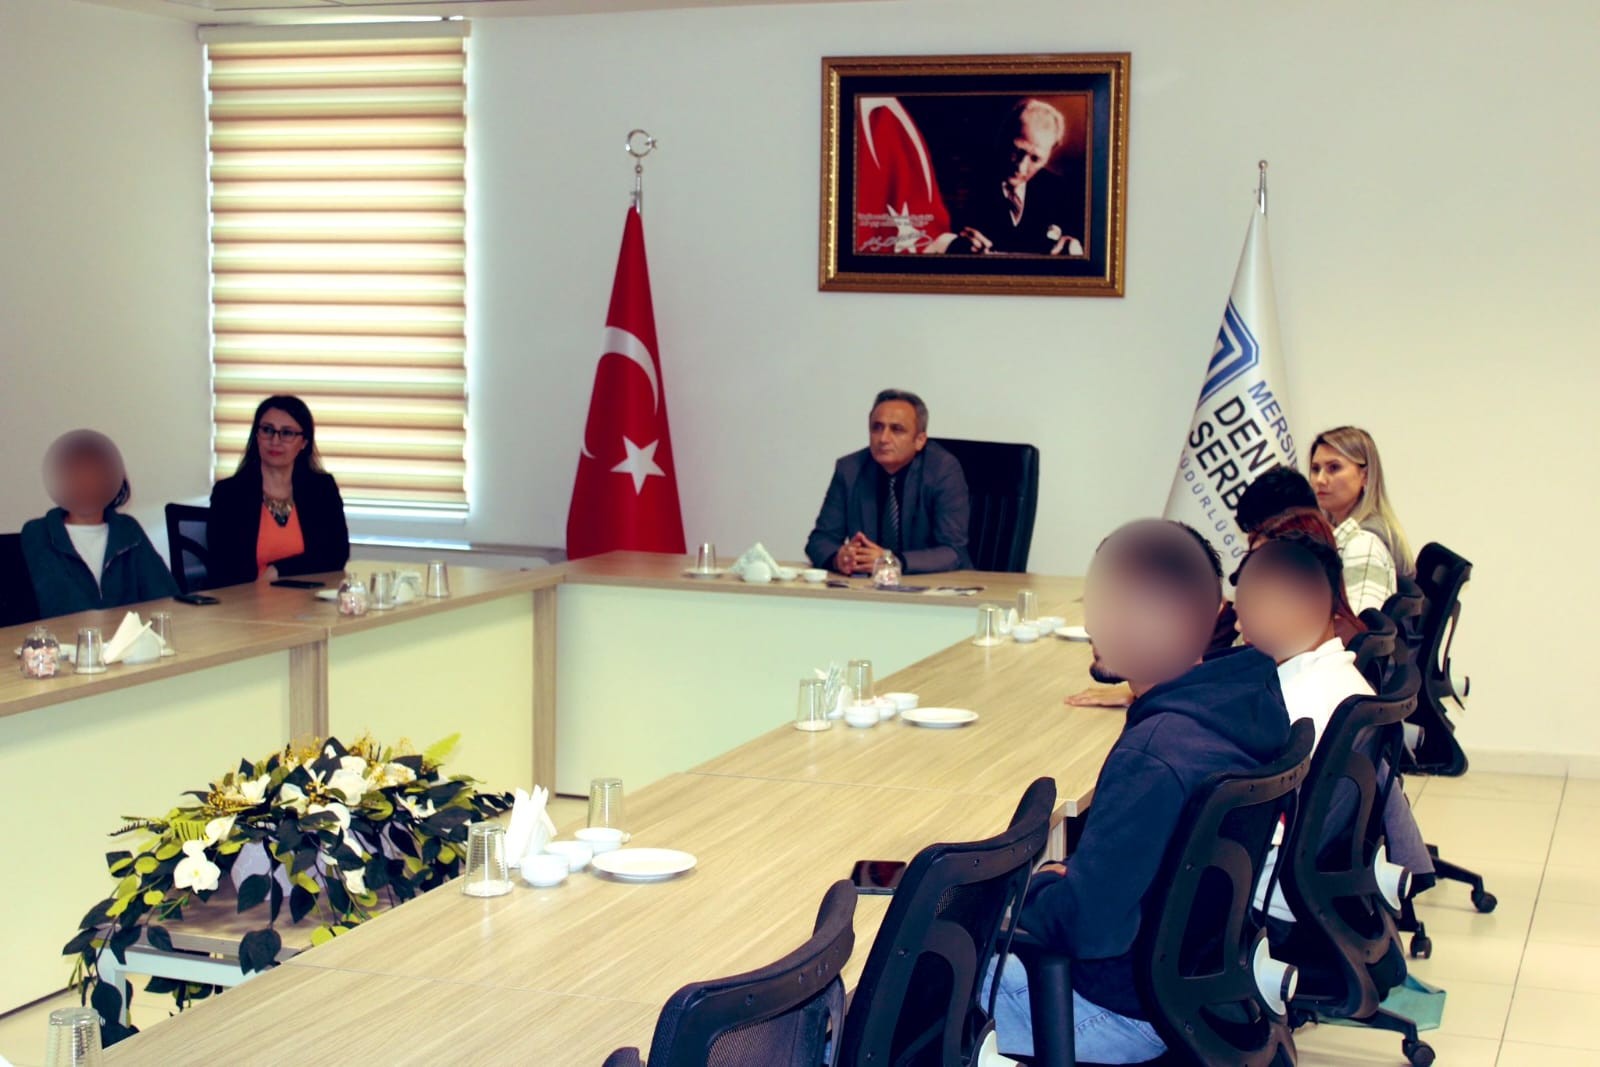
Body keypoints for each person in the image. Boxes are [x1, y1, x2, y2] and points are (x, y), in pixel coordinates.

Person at [988, 520, 1292, 1062]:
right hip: (1191, 994)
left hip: (1118, 1010)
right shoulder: (1238, 703)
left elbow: (1090, 929)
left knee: (907, 995)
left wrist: (1033, 892)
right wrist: (1078, 881)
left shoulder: (1153, 757)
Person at [1231, 531, 1433, 924]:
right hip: (1309, 892)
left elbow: (1248, 829)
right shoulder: (1344, 678)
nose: (1241, 623)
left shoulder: (1291, 707)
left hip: (1264, 904)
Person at [804, 389, 971, 575]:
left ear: (919, 440)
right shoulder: (850, 469)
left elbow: (953, 551)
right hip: (866, 585)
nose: (883, 439)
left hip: (930, 582)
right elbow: (820, 540)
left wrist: (891, 560)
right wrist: (839, 558)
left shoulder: (942, 470)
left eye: (897, 429)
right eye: (877, 428)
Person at [20, 430, 177, 617]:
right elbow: (58, 603)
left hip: (127, 634)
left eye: (96, 474)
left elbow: (165, 595)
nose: (87, 483)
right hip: (69, 635)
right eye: (76, 474)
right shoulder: (39, 532)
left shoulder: (128, 529)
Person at [208, 395, 350, 587]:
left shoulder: (321, 490)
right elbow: (223, 567)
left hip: (309, 600)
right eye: (267, 430)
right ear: (256, 436)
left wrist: (279, 570)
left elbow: (335, 555)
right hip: (246, 600)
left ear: (304, 442)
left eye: (287, 433)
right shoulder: (230, 494)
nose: (275, 440)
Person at [942, 98, 1085, 257]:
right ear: (1003, 138)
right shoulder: (962, 184)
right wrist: (953, 245)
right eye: (1017, 151)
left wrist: (1075, 248)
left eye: (1035, 159)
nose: (1021, 167)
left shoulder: (1060, 192)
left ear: (1049, 154)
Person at [1309, 427, 1414, 613]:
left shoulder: (1363, 544)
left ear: (1365, 476)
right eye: (1315, 469)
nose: (1320, 480)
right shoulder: (1346, 534)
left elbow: (1360, 624)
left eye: (1334, 468)